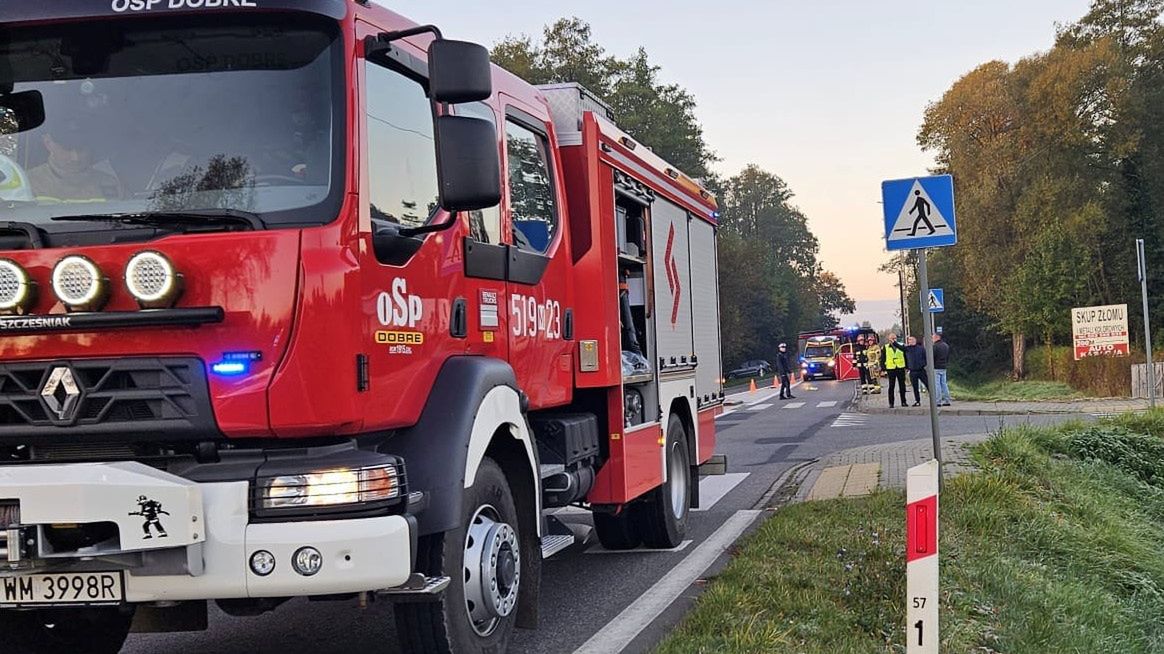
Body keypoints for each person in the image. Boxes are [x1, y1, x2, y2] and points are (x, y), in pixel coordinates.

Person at [28, 123, 122, 203]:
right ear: (48, 143)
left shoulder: (109, 183)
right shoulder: (28, 184)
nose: (75, 158)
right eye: (67, 149)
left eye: (81, 149)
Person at [880, 332, 908, 408]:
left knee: (902, 385)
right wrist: (883, 369)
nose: (893, 340)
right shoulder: (885, 347)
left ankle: (904, 402)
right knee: (891, 386)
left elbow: (905, 356)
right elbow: (883, 359)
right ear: (888, 339)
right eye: (892, 338)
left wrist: (907, 366)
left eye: (894, 338)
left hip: (900, 367)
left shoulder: (901, 345)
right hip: (891, 368)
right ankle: (891, 403)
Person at [904, 335, 929, 407]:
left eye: (911, 340)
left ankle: (934, 399)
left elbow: (925, 357)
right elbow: (901, 350)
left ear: (915, 340)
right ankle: (917, 401)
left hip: (921, 370)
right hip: (912, 371)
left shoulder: (921, 348)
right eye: (909, 340)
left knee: (927, 384)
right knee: (915, 387)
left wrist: (923, 364)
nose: (910, 341)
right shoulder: (907, 349)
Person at [932, 332, 952, 406]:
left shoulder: (935, 346)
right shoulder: (946, 345)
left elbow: (932, 357)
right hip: (944, 366)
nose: (932, 339)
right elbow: (948, 356)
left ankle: (938, 401)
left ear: (937, 337)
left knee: (937, 385)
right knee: (944, 384)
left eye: (933, 337)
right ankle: (947, 400)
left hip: (936, 367)